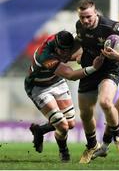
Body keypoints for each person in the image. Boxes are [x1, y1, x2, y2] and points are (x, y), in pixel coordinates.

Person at [29, 0, 119, 164]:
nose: (86, 20)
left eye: (88, 16)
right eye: (82, 17)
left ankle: (118, 137)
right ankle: (91, 146)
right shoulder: (79, 27)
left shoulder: (111, 26)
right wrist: (73, 56)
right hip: (90, 69)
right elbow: (80, 43)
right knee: (85, 113)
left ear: (95, 13)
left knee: (105, 102)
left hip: (109, 69)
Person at [25, 30, 103, 162]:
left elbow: (78, 45)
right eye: (63, 51)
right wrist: (93, 68)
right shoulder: (45, 56)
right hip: (39, 87)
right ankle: (63, 151)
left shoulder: (67, 40)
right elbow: (70, 75)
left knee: (71, 124)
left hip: (56, 81)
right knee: (63, 126)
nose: (66, 53)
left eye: (68, 49)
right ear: (56, 47)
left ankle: (40, 130)